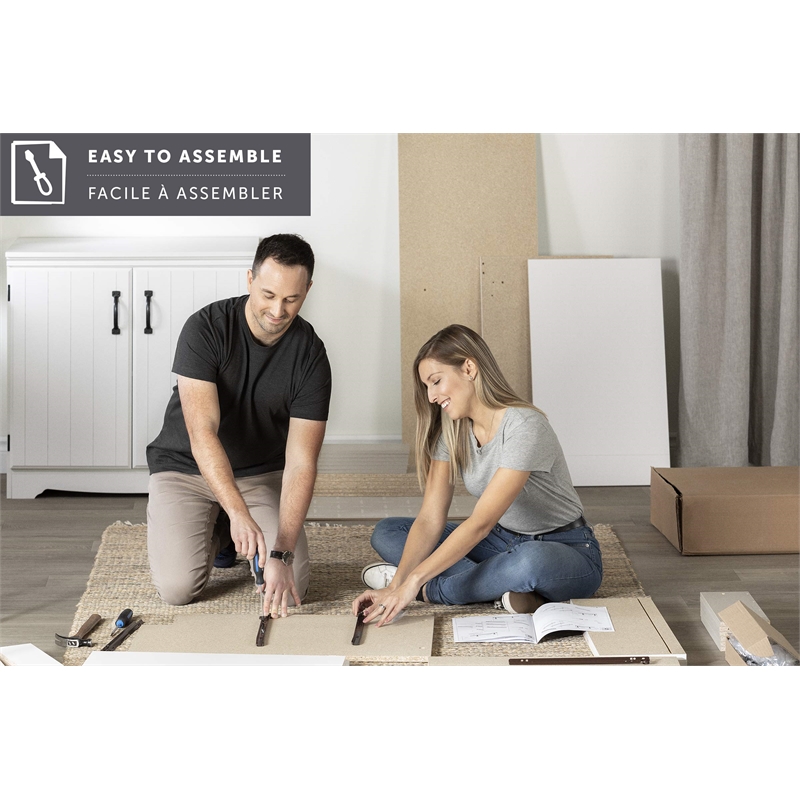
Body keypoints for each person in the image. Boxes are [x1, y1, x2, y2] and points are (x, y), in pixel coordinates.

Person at [352, 324, 602, 626]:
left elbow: (480, 523)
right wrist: (395, 586)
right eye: (426, 387)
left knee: (529, 562)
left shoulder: (525, 426)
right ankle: (502, 588)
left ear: (469, 368)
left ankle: (439, 591)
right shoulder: (452, 431)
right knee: (389, 533)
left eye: (435, 381)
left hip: (566, 548)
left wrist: (411, 584)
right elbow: (431, 518)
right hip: (501, 541)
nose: (431, 396)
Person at [146, 233, 331, 618]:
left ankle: (232, 526)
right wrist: (240, 513)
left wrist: (281, 550)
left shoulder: (310, 354)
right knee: (178, 589)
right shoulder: (205, 328)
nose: (278, 310)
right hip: (185, 468)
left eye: (291, 298)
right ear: (249, 279)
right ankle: (224, 527)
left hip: (258, 474)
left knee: (292, 580)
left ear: (307, 290)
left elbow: (301, 463)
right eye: (268, 294)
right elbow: (202, 434)